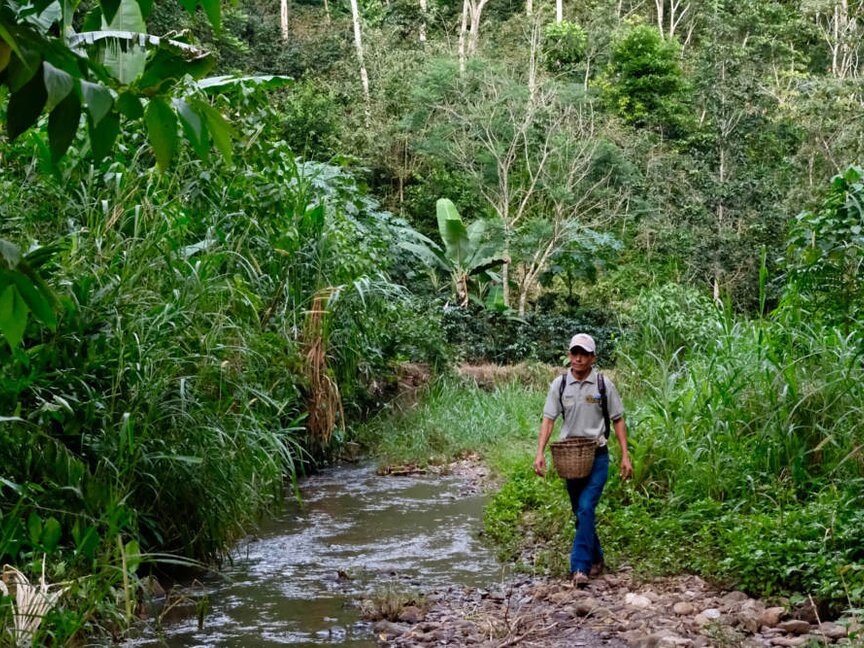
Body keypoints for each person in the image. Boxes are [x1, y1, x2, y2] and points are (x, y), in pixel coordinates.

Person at [533, 333, 632, 585]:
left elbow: (617, 420)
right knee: (580, 512)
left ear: (592, 358)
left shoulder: (602, 385)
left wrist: (625, 455)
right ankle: (597, 559)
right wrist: (540, 453)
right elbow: (548, 419)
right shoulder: (560, 385)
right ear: (569, 355)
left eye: (584, 354)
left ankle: (580, 568)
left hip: (597, 456)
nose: (578, 358)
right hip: (571, 457)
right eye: (574, 353)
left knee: (586, 507)